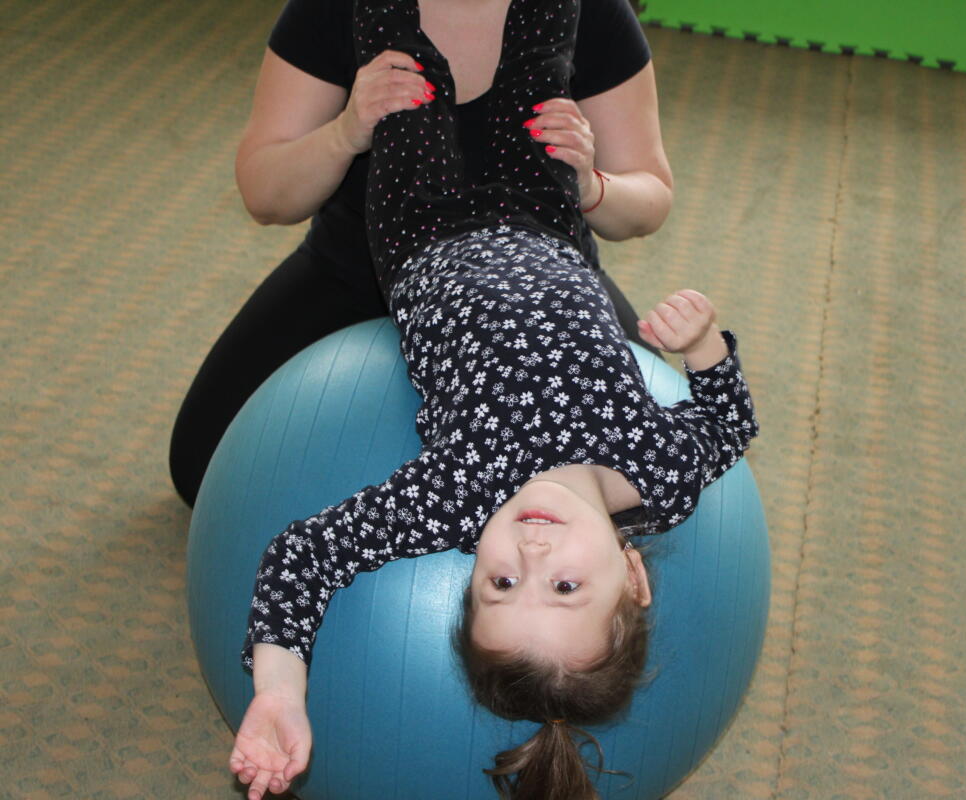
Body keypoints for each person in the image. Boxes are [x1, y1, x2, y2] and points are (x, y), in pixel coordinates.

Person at [228, 0, 758, 798]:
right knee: (543, 52)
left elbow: (304, 557)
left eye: (500, 586)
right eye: (565, 589)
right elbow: (728, 420)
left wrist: (279, 692)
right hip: (546, 220)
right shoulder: (659, 471)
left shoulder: (459, 495)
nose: (530, 558)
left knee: (402, 68)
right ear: (633, 575)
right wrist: (706, 346)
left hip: (420, 228)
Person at [168, 0, 673, 507]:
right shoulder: (335, 9)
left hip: (540, 286)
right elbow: (265, 194)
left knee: (658, 476)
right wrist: (344, 133)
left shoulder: (592, 10)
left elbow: (649, 200)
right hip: (361, 274)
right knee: (200, 465)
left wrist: (591, 184)